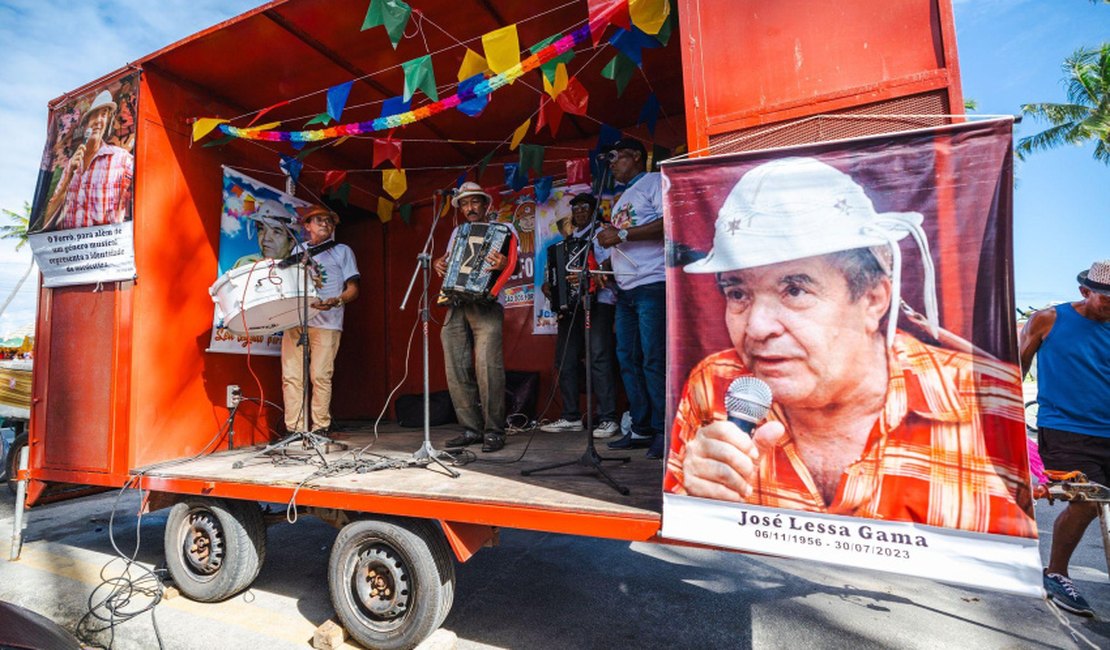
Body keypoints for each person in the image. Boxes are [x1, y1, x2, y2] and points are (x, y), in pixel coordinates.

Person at [665, 156, 1035, 538]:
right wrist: (698, 499)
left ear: (873, 300)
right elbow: (686, 539)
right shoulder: (713, 384)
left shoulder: (986, 398)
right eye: (737, 292)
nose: (756, 328)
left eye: (795, 290)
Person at [1020, 259, 1110, 616]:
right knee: (1088, 500)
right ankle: (1056, 573)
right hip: (1066, 429)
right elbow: (1017, 364)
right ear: (1085, 291)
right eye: (1106, 298)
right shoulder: (1049, 319)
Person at [595, 138, 668, 459]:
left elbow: (672, 223)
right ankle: (640, 427)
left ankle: (664, 431)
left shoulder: (655, 181)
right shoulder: (623, 196)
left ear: (636, 156)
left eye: (614, 156)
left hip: (653, 284)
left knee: (653, 360)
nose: (610, 163)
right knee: (628, 359)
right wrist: (606, 264)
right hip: (624, 291)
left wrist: (622, 234)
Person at [434, 182, 519, 453]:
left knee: (487, 366)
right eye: (465, 204)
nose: (469, 208)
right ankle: (471, 428)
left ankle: (494, 430)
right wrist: (440, 264)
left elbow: (513, 264)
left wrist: (505, 264)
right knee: (455, 366)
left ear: (486, 205)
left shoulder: (506, 230)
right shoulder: (458, 231)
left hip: (487, 302)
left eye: (474, 203)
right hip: (457, 302)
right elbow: (451, 261)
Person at [540, 193, 620, 437]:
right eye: (576, 209)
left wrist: (593, 273)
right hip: (571, 307)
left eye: (585, 207)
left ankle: (608, 418)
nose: (580, 212)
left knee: (599, 357)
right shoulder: (567, 242)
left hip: (600, 302)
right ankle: (571, 416)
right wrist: (551, 288)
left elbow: (613, 265)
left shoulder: (603, 234)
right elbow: (554, 274)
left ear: (595, 211)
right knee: (565, 359)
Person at [281, 205, 359, 435]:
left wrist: (336, 301)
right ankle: (293, 430)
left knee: (320, 376)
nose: (325, 224)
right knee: (292, 376)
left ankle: (320, 428)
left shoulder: (342, 250)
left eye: (329, 221)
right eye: (319, 220)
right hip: (296, 320)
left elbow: (353, 289)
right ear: (307, 226)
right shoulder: (298, 250)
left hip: (327, 321)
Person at [42, 90, 134, 231]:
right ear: (85, 125)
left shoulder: (122, 159)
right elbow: (47, 220)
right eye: (94, 115)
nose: (98, 120)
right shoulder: (70, 166)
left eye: (103, 115)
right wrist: (69, 177)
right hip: (69, 250)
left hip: (107, 250)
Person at [233, 200, 297, 268]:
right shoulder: (246, 264)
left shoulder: (300, 270)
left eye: (276, 232)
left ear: (291, 243)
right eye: (261, 229)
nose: (266, 238)